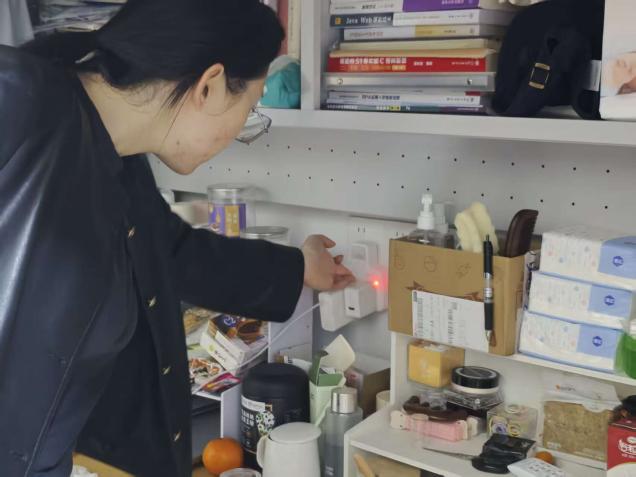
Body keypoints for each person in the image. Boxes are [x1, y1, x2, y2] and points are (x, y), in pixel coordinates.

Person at [0, 1, 355, 476]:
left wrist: (299, 267)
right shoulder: (21, 99)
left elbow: (170, 251)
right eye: (249, 109)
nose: (240, 129)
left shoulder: (119, 158)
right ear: (210, 86)